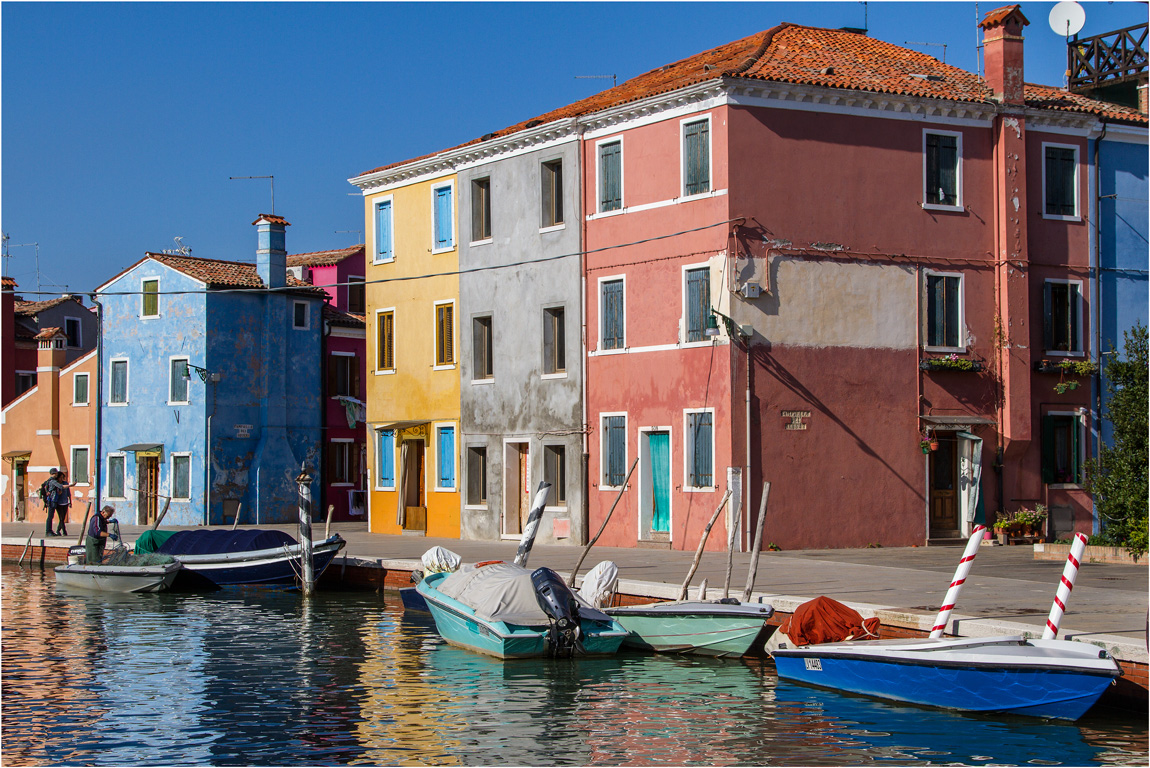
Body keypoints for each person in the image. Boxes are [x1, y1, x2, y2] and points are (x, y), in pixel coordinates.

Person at [48, 469, 72, 537]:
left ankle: (58, 530)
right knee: (60, 518)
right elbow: (60, 488)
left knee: (63, 518)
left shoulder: (65, 483)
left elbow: (68, 493)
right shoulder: (54, 483)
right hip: (58, 503)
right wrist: (71, 485)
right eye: (60, 477)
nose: (61, 479)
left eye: (62, 477)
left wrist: (70, 501)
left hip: (65, 502)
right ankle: (63, 531)